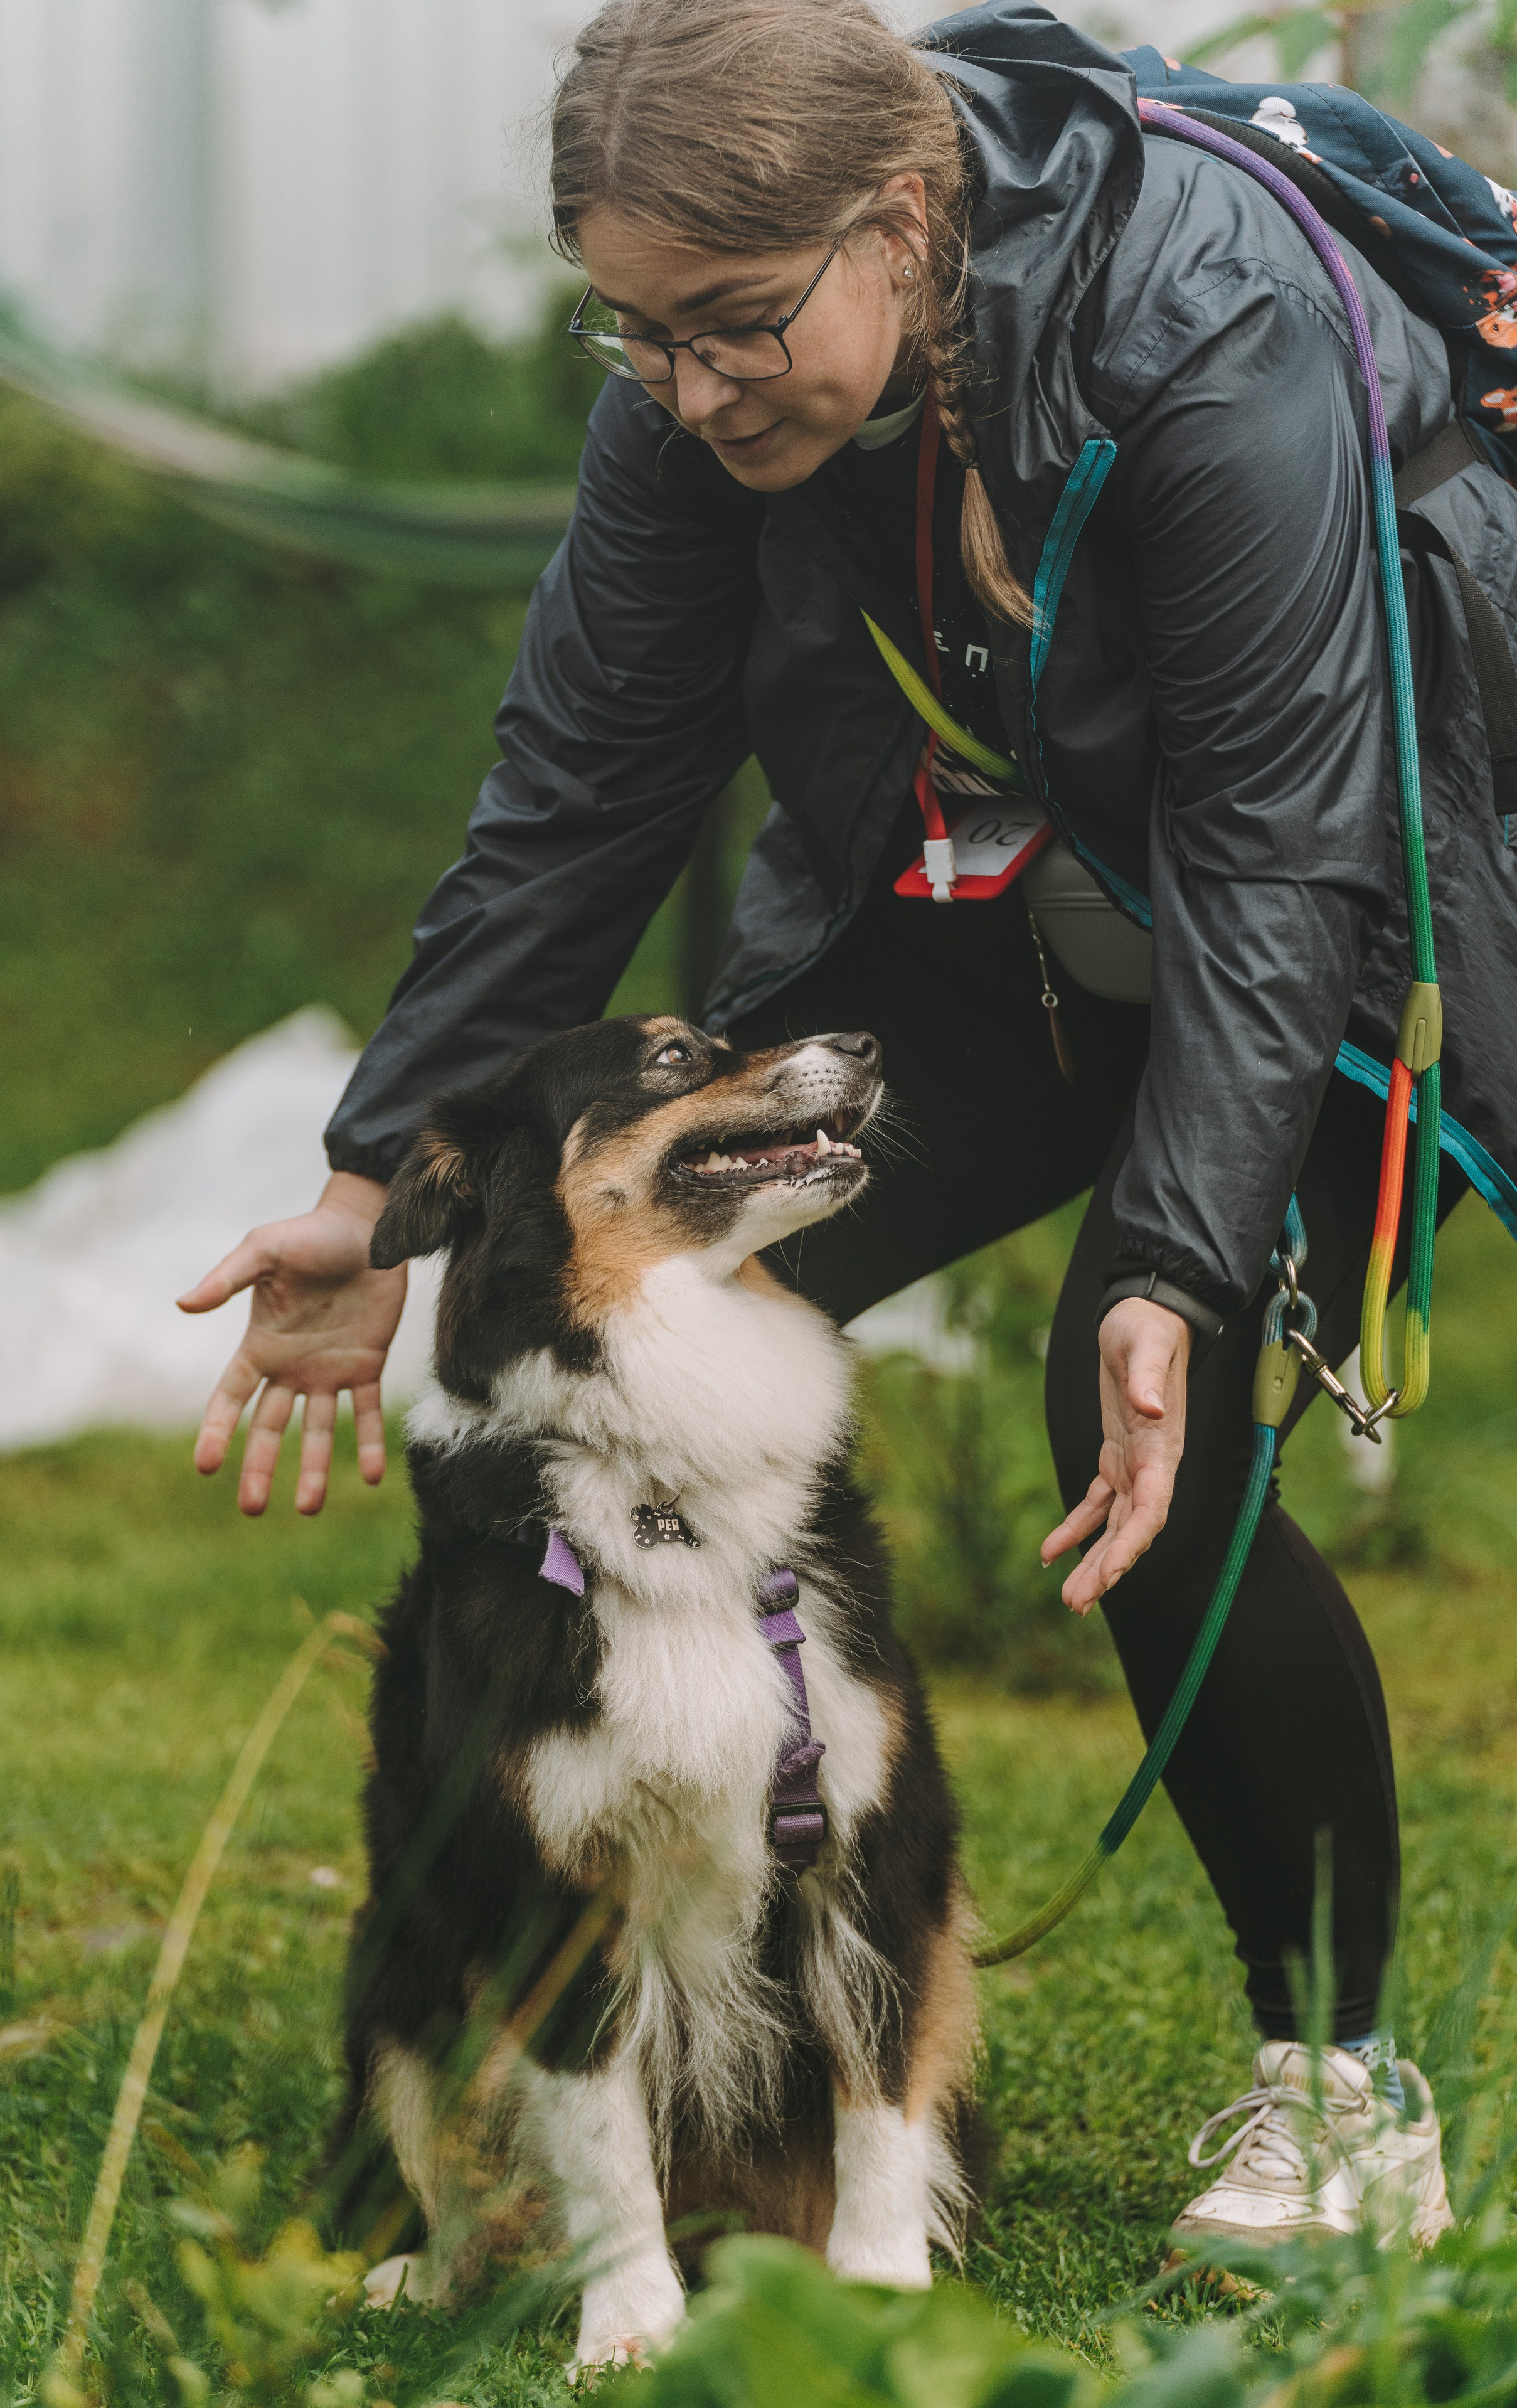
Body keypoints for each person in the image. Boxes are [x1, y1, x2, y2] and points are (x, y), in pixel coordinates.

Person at [179, 0, 1517, 2255]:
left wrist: (1180, 1267)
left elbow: (1286, 848)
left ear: (901, 221)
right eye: (634, 336)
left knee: (1152, 1439)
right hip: (983, 917)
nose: (694, 392)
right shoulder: (696, 412)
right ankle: (681, 1937)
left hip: (1315, 932)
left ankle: (1347, 2085)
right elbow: (579, 793)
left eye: (733, 327)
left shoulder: (1202, 319)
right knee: (670, 1318)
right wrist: (372, 1191)